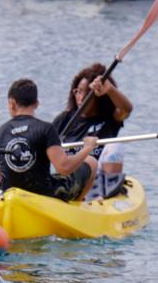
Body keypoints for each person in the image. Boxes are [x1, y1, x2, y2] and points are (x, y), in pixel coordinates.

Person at [0, 78, 97, 200]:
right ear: (36, 103)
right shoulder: (45, 129)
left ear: (12, 103)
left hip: (12, 194)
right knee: (91, 161)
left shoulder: (0, 132)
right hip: (44, 195)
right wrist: (88, 147)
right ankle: (77, 203)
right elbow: (64, 167)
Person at [52, 63, 133, 198]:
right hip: (73, 178)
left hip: (99, 183)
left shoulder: (109, 118)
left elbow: (126, 109)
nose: (81, 97)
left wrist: (110, 89)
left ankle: (108, 196)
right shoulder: (64, 119)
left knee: (115, 145)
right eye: (78, 91)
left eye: (86, 92)